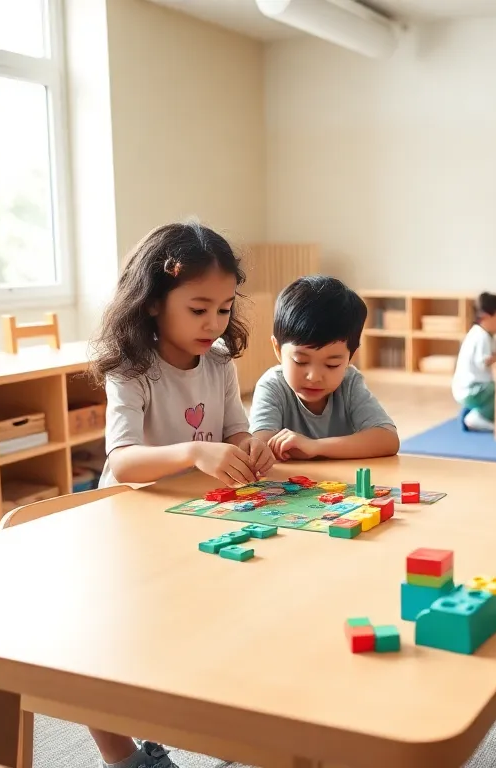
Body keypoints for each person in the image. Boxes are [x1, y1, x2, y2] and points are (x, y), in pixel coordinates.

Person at [90, 221, 277, 767]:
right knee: (109, 644)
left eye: (223, 308)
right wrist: (196, 452)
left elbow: (235, 430)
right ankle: (124, 757)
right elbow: (122, 461)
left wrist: (249, 446)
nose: (213, 323)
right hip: (130, 525)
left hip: (194, 515)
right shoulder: (132, 370)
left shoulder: (218, 362)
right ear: (153, 302)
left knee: (223, 619)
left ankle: (232, 726)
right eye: (198, 309)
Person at [249, 275, 399, 459]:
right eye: (300, 361)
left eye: (331, 364)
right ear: (278, 349)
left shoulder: (349, 383)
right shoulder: (272, 385)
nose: (314, 376)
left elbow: (388, 439)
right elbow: (260, 446)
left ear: (351, 358)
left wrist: (315, 446)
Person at [452, 292, 496, 431]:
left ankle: (493, 416)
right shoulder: (480, 336)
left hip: (477, 388)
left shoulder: (486, 335)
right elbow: (484, 361)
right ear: (486, 317)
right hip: (471, 389)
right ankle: (478, 418)